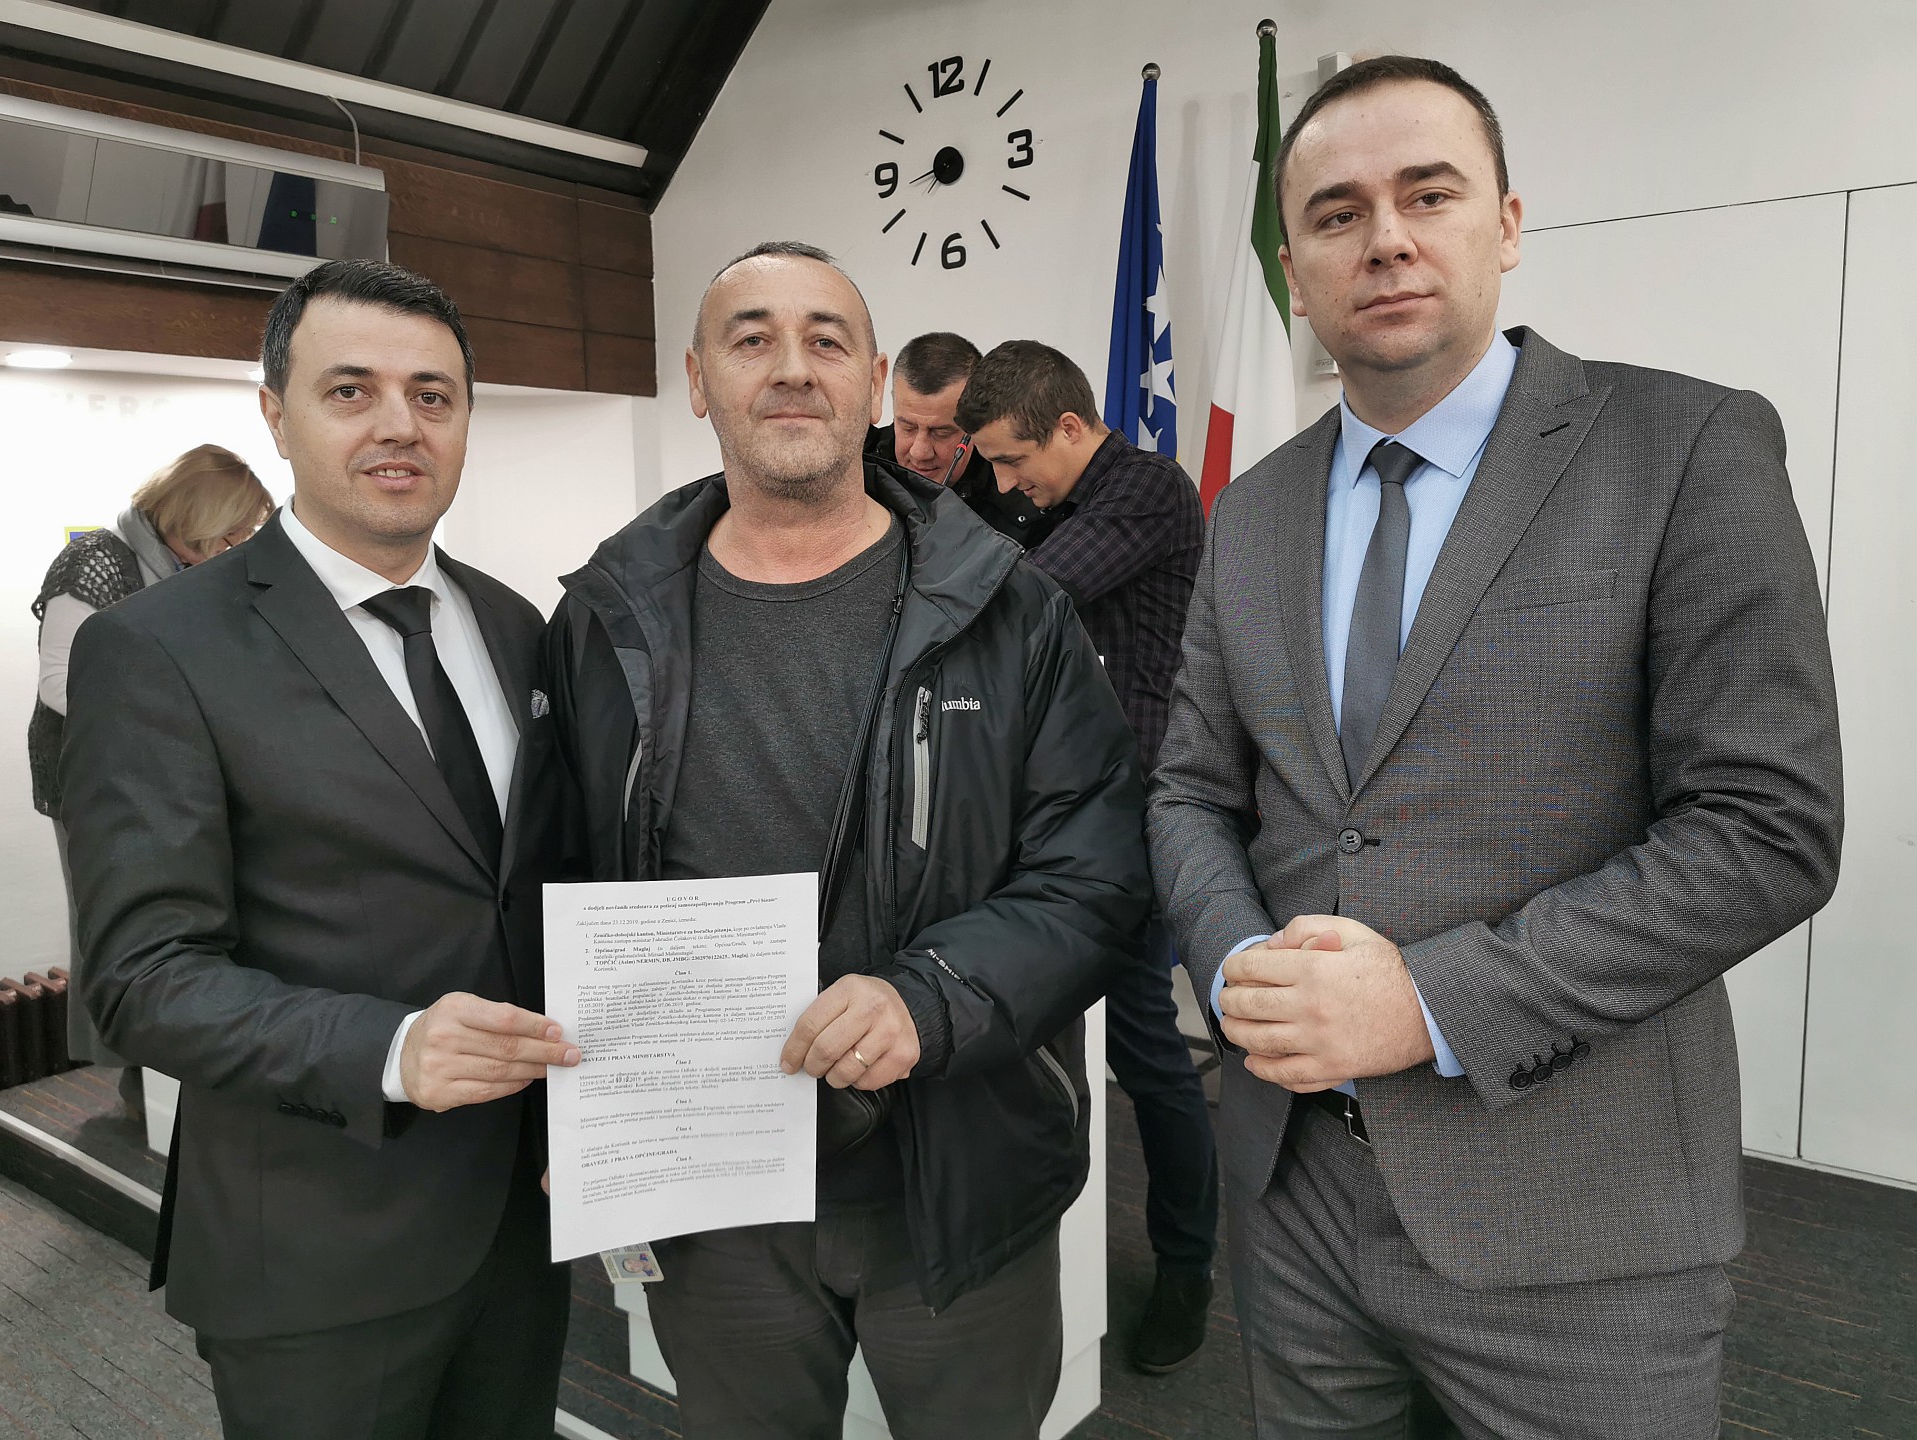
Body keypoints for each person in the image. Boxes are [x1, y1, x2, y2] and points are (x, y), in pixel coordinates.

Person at [1148, 55, 1843, 1437]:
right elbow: (1191, 789)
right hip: (1295, 1194)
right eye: (1337, 213)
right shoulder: (1253, 510)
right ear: (1293, 274)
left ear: (1507, 224)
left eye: (1429, 194)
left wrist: (1432, 1003)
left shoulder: (1685, 447)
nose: (1386, 238)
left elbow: (1766, 828)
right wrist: (1237, 969)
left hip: (1577, 1219)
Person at [545, 241, 1148, 1439]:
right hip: (711, 1194)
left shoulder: (1011, 608)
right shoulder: (604, 620)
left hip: (958, 1183)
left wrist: (931, 999)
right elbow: (562, 874)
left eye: (826, 340)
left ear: (873, 384)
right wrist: (572, 1103)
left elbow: (1098, 875)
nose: (791, 367)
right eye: (751, 338)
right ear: (697, 379)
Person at [59, 259, 582, 1440]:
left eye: (433, 395)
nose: (401, 424)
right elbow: (143, 977)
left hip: (520, 1225)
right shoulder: (156, 649)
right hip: (313, 1248)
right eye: (351, 390)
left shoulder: (516, 626)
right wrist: (391, 1048)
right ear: (275, 414)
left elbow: (527, 893)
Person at [959, 341, 1219, 1374]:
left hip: (1140, 815)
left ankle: (1188, 1267)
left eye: (1012, 460)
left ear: (1070, 427)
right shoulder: (1059, 499)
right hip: (1066, 816)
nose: (1003, 483)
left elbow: (1020, 594)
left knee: (1148, 1050)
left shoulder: (1147, 491)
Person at [29, 443, 274, 1118]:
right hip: (91, 775)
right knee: (113, 923)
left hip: (173, 766)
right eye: (228, 531)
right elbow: (57, 681)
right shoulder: (97, 560)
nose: (235, 545)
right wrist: (173, 713)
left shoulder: (189, 568)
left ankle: (174, 1063)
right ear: (190, 517)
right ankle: (130, 1073)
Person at [863, 330, 1054, 547]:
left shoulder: (1021, 500)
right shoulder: (857, 468)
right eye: (908, 427)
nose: (920, 452)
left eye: (941, 433)